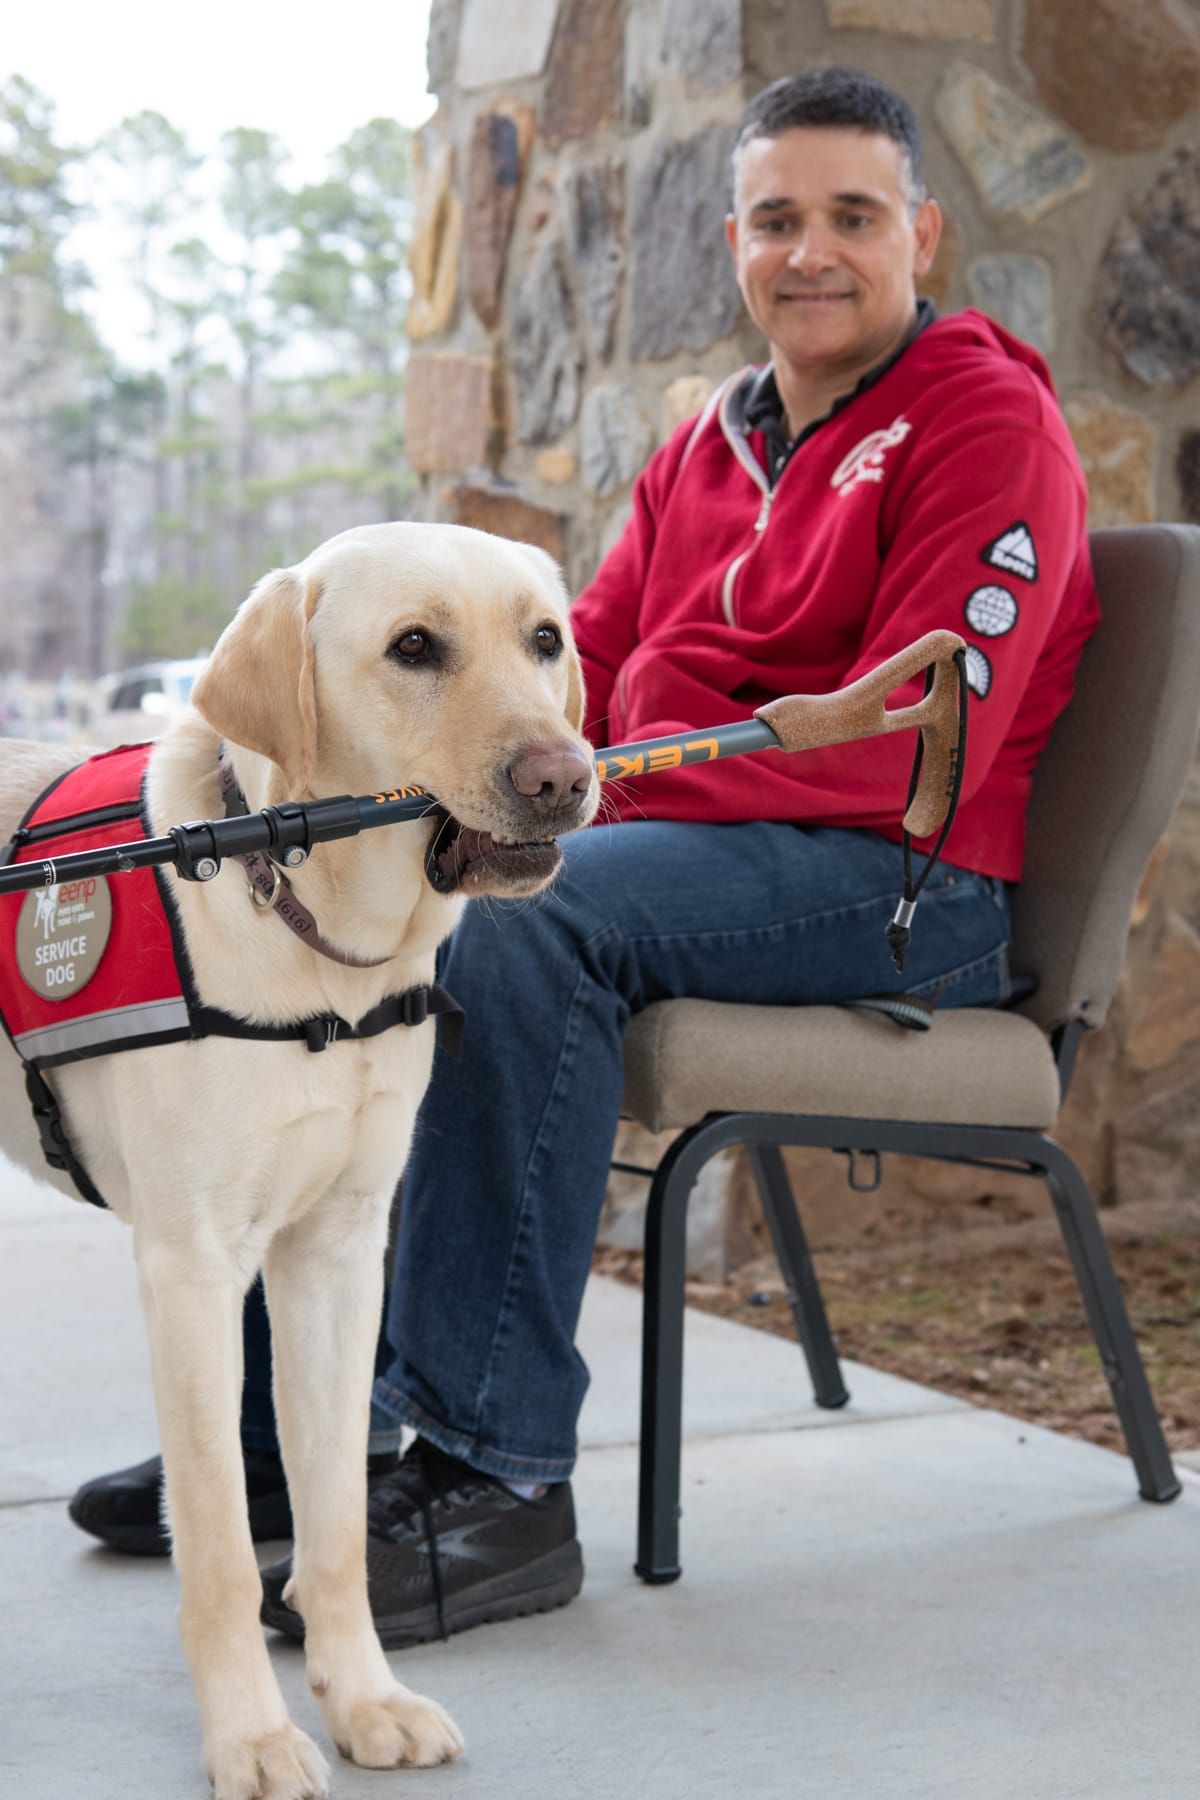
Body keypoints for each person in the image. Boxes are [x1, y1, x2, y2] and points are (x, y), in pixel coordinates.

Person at [70, 68, 1099, 1645]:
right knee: (355, 910)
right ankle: (291, 1446)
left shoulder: (985, 421)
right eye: (776, 219)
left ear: (924, 233)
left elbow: (910, 743)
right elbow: (581, 668)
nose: (810, 251)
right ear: (734, 242)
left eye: (852, 215)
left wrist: (591, 792)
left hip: (904, 883)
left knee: (519, 924)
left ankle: (497, 1483)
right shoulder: (712, 444)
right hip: (701, 851)